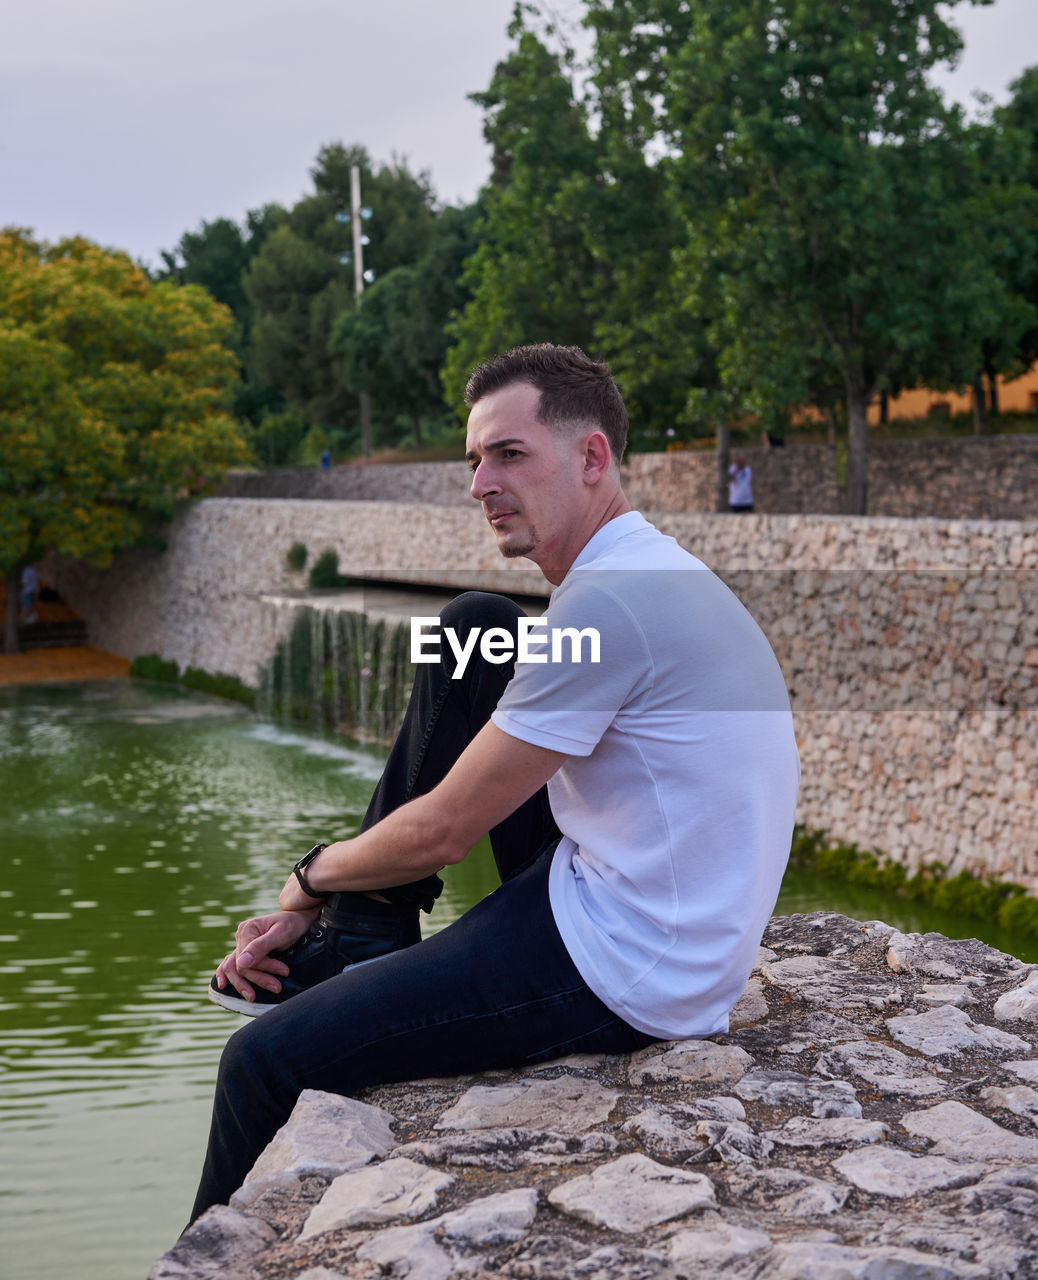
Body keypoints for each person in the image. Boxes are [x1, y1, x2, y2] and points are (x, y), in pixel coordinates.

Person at [192, 344, 799, 1222]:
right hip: (640, 899)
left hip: (627, 967)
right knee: (473, 630)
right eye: (474, 459)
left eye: (509, 455)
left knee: (262, 1062)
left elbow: (443, 832)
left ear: (592, 457)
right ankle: (368, 932)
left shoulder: (607, 604)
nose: (481, 482)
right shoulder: (640, 569)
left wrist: (309, 879)